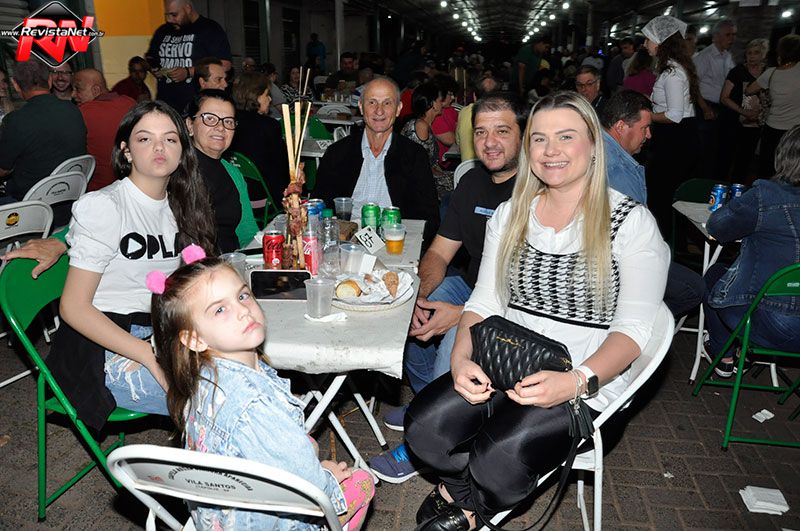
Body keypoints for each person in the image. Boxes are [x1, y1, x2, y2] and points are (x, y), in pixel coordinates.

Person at [405, 91, 669, 530]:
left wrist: (574, 381)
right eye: (540, 139)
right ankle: (466, 490)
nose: (550, 151)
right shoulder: (510, 214)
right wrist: (461, 358)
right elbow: (484, 301)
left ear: (593, 145)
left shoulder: (631, 223)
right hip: (508, 360)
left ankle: (467, 503)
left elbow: (634, 330)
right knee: (423, 429)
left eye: (566, 137)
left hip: (585, 379)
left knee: (501, 457)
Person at [149, 254, 374, 530]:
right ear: (194, 339)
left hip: (216, 516)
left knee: (306, 444)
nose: (243, 310)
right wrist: (327, 478)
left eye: (242, 296)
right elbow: (311, 488)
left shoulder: (200, 378)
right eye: (220, 310)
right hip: (263, 522)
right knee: (362, 481)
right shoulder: (255, 404)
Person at [369, 92, 525, 485]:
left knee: (457, 339)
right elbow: (439, 252)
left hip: (513, 306)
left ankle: (429, 443)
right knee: (406, 311)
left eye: (502, 131)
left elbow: (525, 291)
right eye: (481, 132)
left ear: (524, 136)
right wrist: (418, 296)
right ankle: (428, 405)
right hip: (471, 287)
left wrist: (461, 315)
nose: (490, 142)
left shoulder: (535, 191)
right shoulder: (471, 182)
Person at [44, 100, 216, 432]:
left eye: (170, 139)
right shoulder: (104, 206)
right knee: (219, 399)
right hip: (104, 348)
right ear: (126, 151)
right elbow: (73, 308)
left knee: (248, 377)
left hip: (162, 332)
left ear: (183, 150)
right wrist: (148, 355)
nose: (159, 147)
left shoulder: (181, 207)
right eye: (144, 138)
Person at [703, 125, 800, 377]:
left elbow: (717, 226)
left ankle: (724, 356)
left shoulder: (766, 195)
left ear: (782, 156)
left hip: (776, 323)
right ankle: (741, 354)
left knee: (715, 275)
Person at [600, 90, 703, 319]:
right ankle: (636, 328)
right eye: (644, 128)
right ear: (621, 126)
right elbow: (631, 235)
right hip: (617, 264)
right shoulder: (617, 170)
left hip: (609, 257)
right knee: (693, 289)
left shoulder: (597, 146)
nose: (648, 135)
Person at [314, 77, 440, 243]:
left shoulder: (414, 156)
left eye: (387, 103)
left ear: (398, 109)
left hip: (395, 241)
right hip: (346, 242)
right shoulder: (337, 153)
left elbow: (430, 217)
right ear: (361, 106)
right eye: (372, 102)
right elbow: (320, 206)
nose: (379, 111)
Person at [642, 15, 702, 233]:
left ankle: (666, 236)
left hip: (676, 138)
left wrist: (647, 115)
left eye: (647, 39)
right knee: (665, 190)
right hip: (676, 135)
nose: (644, 44)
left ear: (660, 42)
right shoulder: (671, 68)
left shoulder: (673, 74)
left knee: (663, 192)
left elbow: (674, 115)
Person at [0, 60, 86, 203]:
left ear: (15, 85)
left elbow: (3, 169)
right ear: (50, 81)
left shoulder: (16, 120)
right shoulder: (74, 110)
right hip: (71, 196)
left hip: (31, 204)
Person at [185, 90, 259, 253]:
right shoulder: (177, 170)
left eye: (228, 121)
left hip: (233, 260)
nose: (220, 127)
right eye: (210, 119)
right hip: (195, 263)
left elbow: (247, 232)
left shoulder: (233, 172)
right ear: (190, 125)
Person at [145, 0, 232, 112]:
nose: (169, 19)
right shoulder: (163, 31)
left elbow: (225, 65)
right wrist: (154, 68)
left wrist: (188, 72)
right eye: (167, 15)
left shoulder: (210, 29)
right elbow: (150, 57)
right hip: (165, 106)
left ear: (188, 8)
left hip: (196, 106)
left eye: (174, 14)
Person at [229, 71, 291, 205]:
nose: (270, 99)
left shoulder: (228, 121)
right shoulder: (269, 126)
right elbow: (282, 168)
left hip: (235, 190)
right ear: (255, 96)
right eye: (267, 95)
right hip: (263, 196)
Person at [745, 34, 800, 179]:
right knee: (791, 169)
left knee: (767, 168)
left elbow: (748, 90)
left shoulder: (771, 73)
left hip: (772, 128)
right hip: (795, 131)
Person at [73, 68, 137, 192]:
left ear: (96, 90)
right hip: (133, 184)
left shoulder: (83, 113)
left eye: (78, 89)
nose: (73, 95)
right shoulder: (130, 103)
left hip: (100, 190)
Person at [693, 20, 736, 180]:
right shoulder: (705, 56)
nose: (732, 38)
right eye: (728, 35)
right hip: (706, 106)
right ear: (716, 36)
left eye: (733, 35)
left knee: (718, 148)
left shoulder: (727, 56)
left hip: (722, 107)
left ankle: (714, 181)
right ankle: (701, 183)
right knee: (706, 150)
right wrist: (704, 108)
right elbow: (693, 84)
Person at [720, 38, 768, 183]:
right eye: (749, 53)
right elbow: (724, 97)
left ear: (763, 54)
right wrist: (743, 112)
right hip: (734, 122)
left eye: (756, 53)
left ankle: (738, 188)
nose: (752, 56)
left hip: (756, 125)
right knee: (726, 158)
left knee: (745, 161)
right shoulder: (737, 72)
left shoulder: (768, 72)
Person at [455, 76, 500, 161]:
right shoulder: (503, 115)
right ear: (499, 97)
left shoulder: (464, 112)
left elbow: (458, 142)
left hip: (466, 167)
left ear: (474, 96)